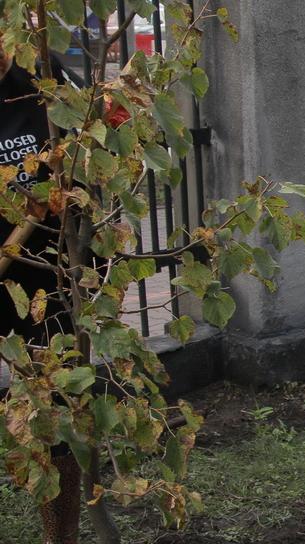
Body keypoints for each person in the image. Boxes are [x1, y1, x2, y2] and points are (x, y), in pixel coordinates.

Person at [1, 26, 86, 544]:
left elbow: (93, 142)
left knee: (48, 405)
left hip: (42, 281)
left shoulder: (44, 75)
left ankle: (61, 534)